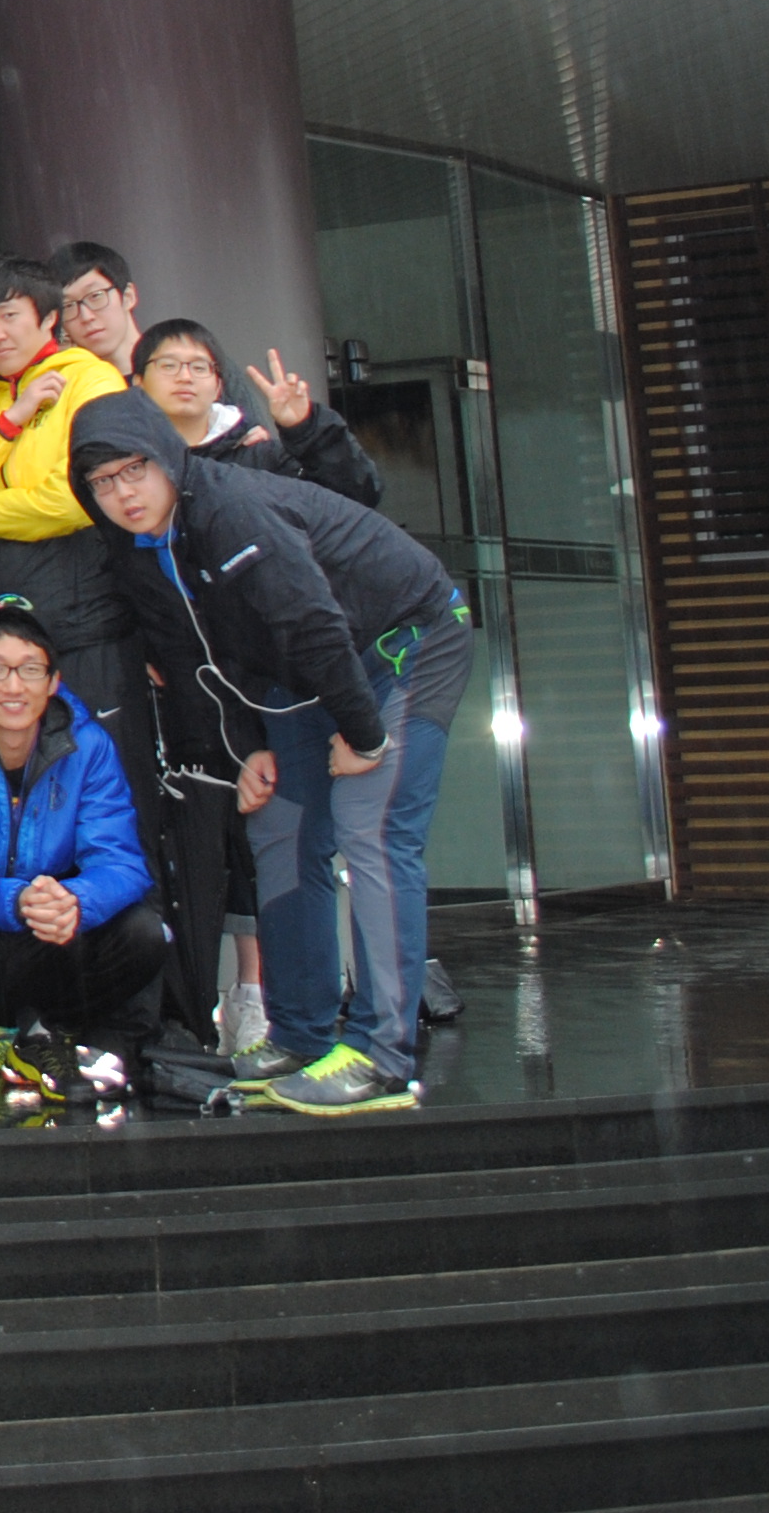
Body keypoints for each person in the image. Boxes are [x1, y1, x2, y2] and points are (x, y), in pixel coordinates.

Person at [71, 392, 466, 1119]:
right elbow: (196, 656)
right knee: (279, 829)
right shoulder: (136, 548)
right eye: (101, 482)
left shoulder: (231, 510)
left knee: (370, 828)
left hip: (404, 640)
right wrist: (247, 746)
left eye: (134, 470)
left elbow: (310, 620)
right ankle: (299, 1036)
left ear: (168, 458)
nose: (122, 493)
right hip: (307, 676)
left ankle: (383, 1057)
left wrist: (364, 734)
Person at [0, 603, 167, 1103]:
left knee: (145, 934)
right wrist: (11, 900)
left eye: (30, 670)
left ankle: (44, 1035)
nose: (13, 686)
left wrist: (75, 900)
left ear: (54, 681)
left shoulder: (88, 746)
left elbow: (122, 862)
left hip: (44, 931)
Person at [0, 255, 138, 754]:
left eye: (9, 316)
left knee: (101, 777)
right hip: (1, 640)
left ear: (49, 317)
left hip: (86, 630)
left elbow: (82, 495)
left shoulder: (92, 381)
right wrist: (11, 419)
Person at [132, 319, 386, 508]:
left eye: (199, 367)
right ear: (138, 382)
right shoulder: (123, 463)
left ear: (219, 386)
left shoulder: (261, 459)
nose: (185, 376)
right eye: (169, 365)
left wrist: (307, 429)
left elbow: (356, 498)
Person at [50, 241, 145, 378]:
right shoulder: (67, 386)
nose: (86, 317)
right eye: (68, 306)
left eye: (95, 296)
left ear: (128, 296)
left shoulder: (173, 376)